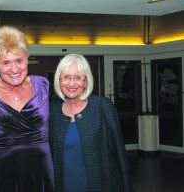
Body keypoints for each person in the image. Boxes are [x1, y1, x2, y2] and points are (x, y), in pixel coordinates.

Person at [0, 26, 54, 192]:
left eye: (19, 60)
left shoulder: (44, 86)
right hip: (3, 172)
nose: (15, 69)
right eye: (6, 63)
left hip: (40, 169)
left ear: (27, 58)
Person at [49, 54, 133, 192]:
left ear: (86, 81)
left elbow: (120, 155)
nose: (71, 83)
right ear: (59, 80)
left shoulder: (102, 106)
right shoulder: (53, 111)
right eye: (66, 77)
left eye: (78, 77)